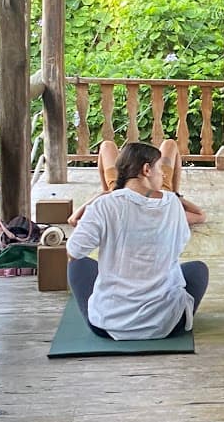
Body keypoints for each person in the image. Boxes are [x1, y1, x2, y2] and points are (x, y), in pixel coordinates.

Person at [66, 140, 210, 339]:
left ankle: (114, 310)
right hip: (166, 324)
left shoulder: (103, 205)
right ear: (146, 170)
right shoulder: (173, 205)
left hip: (108, 325)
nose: (163, 174)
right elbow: (179, 246)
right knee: (197, 269)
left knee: (77, 265)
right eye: (160, 168)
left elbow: (73, 252)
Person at [69, 136, 206, 227]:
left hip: (122, 185)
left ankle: (109, 189)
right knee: (169, 144)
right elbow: (200, 215)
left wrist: (105, 195)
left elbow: (74, 220)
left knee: (106, 146)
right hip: (157, 188)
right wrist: (174, 196)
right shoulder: (165, 212)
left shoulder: (116, 212)